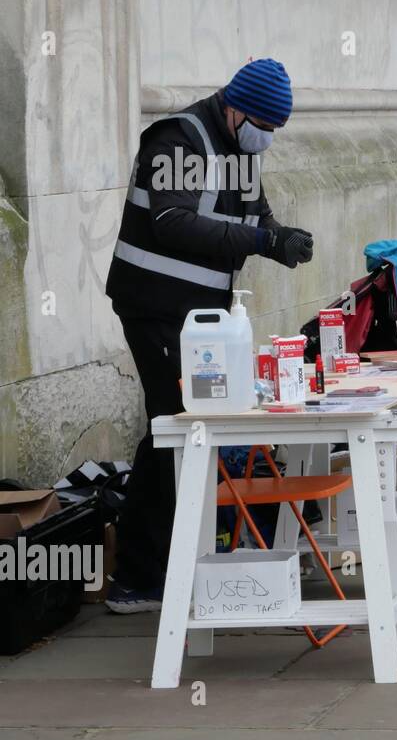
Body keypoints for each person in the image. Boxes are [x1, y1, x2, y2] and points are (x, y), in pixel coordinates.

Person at [104, 59, 313, 613]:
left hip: (198, 318)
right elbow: (171, 221)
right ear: (235, 107)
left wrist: (281, 237)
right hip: (154, 309)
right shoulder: (180, 140)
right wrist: (261, 242)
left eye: (274, 130)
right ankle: (136, 577)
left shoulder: (239, 149)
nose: (265, 138)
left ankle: (173, 564)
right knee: (174, 430)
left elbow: (257, 214)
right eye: (262, 125)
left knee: (186, 431)